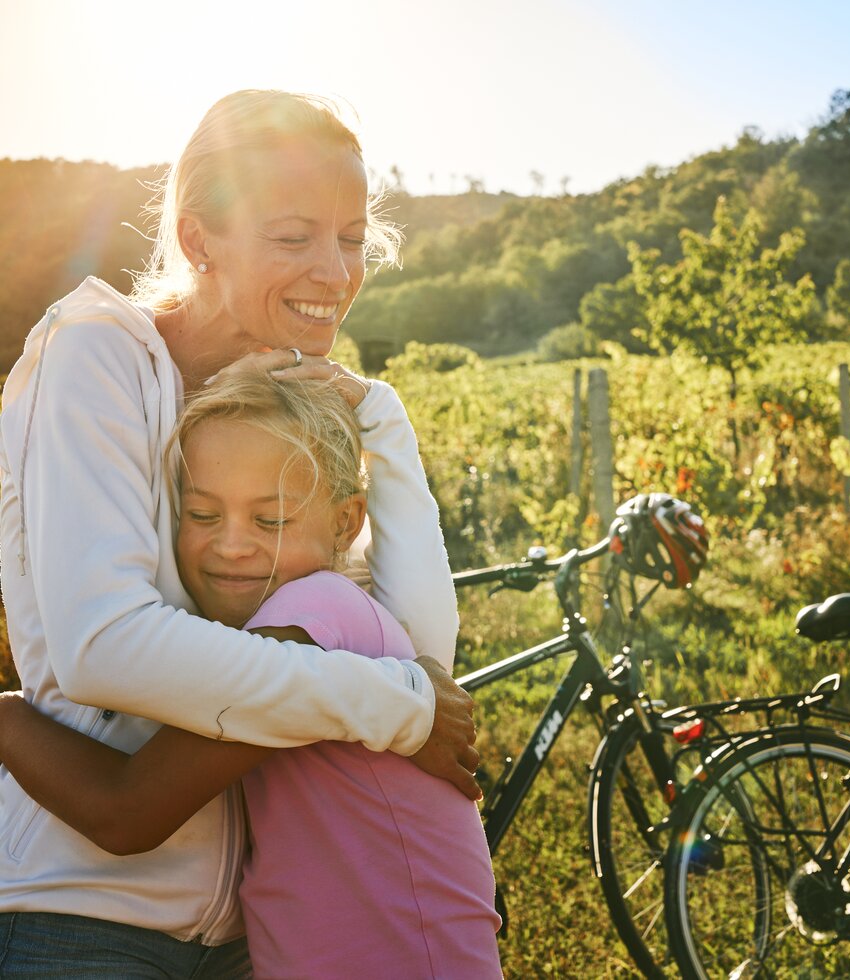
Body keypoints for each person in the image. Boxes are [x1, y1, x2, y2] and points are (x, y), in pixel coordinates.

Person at [0, 90, 478, 975]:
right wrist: (395, 706)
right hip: (78, 918)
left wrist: (384, 420)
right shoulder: (95, 355)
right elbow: (107, 647)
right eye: (294, 237)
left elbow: (417, 649)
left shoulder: (291, 405)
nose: (335, 273)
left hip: (247, 938)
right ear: (197, 240)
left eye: (350, 237)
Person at [0, 374, 503, 978]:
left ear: (346, 524)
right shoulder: (336, 617)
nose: (232, 545)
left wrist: (6, 716)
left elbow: (126, 813)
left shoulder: (312, 615)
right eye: (203, 513)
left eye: (272, 521)